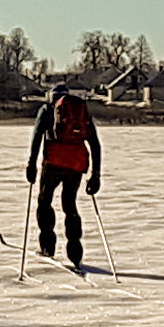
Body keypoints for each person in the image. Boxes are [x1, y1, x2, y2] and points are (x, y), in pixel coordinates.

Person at [25, 81, 101, 268]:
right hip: (76, 164)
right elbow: (94, 143)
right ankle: (75, 254)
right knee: (70, 204)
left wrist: (31, 164)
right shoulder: (80, 111)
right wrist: (96, 174)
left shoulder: (47, 110)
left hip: (53, 162)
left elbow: (37, 136)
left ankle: (47, 248)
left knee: (44, 201)